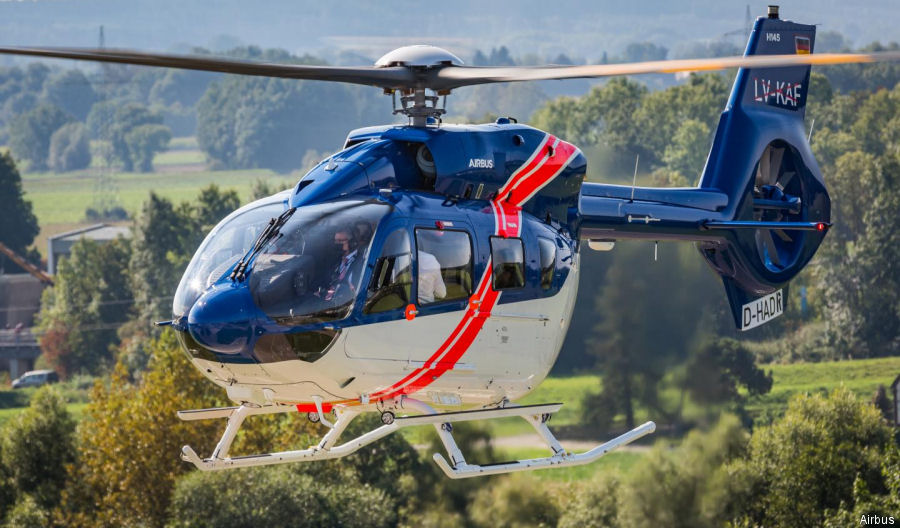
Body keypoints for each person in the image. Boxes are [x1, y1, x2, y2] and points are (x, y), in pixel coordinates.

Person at [323, 227, 361, 301]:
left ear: (352, 243)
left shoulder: (362, 261)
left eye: (340, 241)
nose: (336, 244)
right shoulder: (333, 260)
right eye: (335, 241)